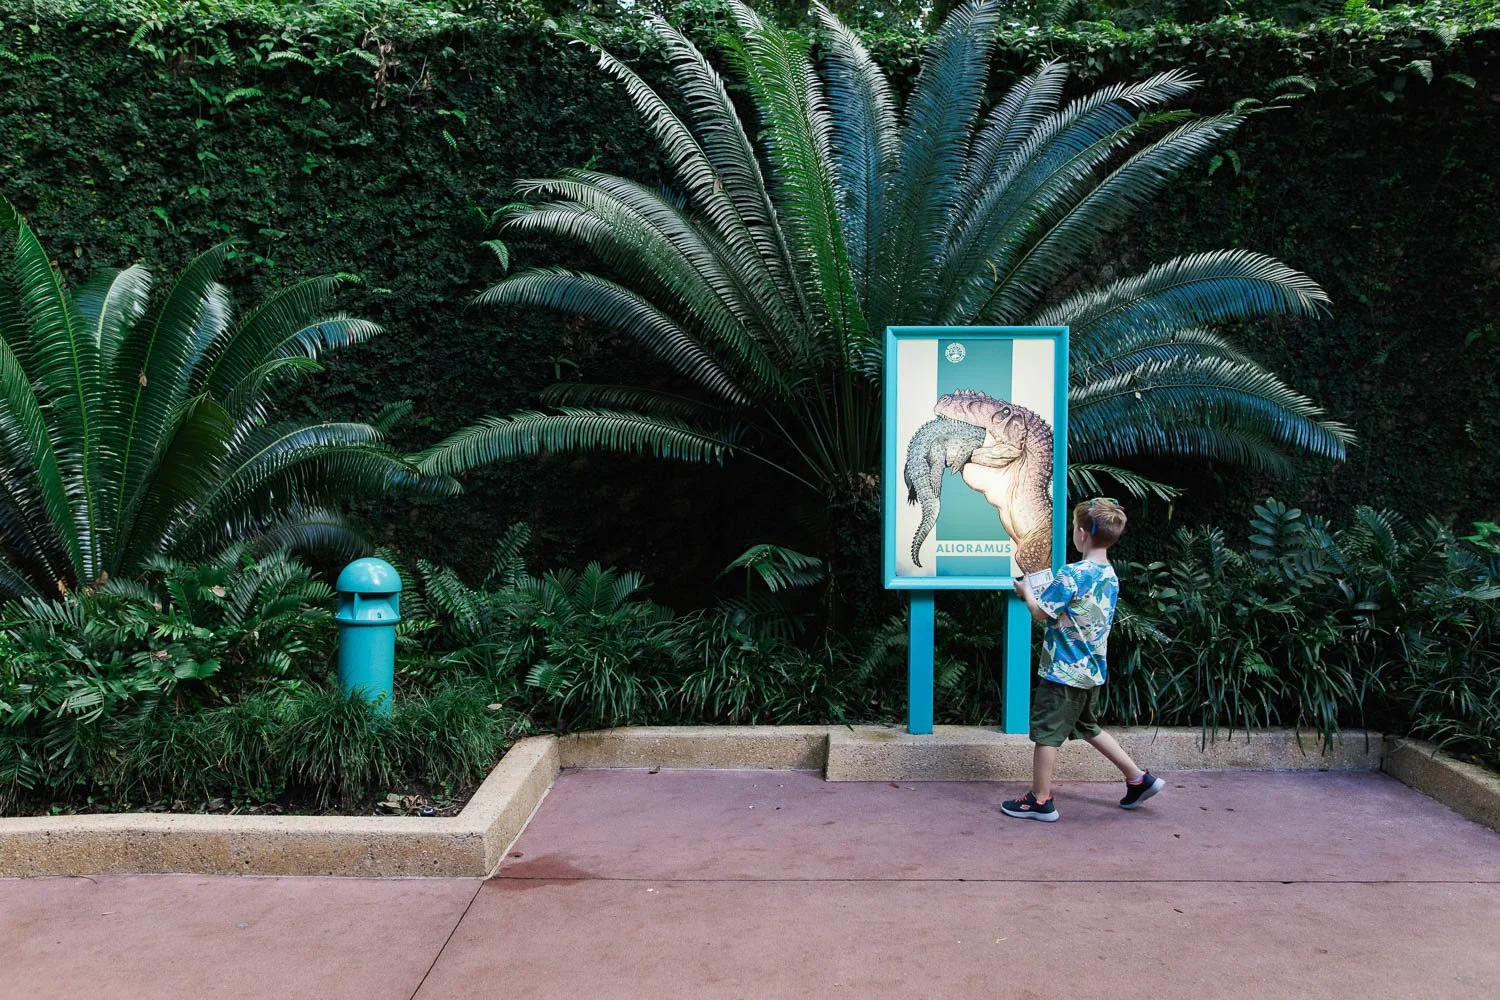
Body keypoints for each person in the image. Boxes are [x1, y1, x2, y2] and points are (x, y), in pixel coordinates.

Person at [1000, 497, 1164, 822]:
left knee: (1046, 734)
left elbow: (1040, 612)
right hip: (1091, 670)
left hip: (1064, 672)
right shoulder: (1109, 574)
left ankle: (1040, 800)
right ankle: (1138, 779)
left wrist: (1026, 592)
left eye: (1074, 527)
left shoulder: (1072, 574)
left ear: (1082, 533)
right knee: (1088, 727)